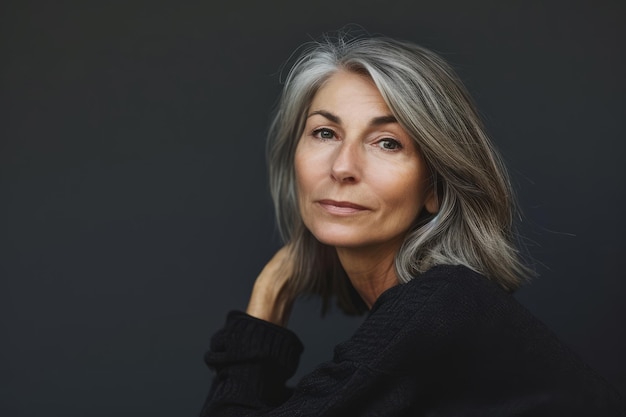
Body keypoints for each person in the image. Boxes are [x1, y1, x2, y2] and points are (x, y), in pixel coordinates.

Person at [199, 32, 625, 416]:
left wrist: (268, 300)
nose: (343, 166)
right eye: (325, 133)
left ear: (435, 185)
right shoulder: (435, 309)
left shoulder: (440, 306)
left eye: (387, 142)